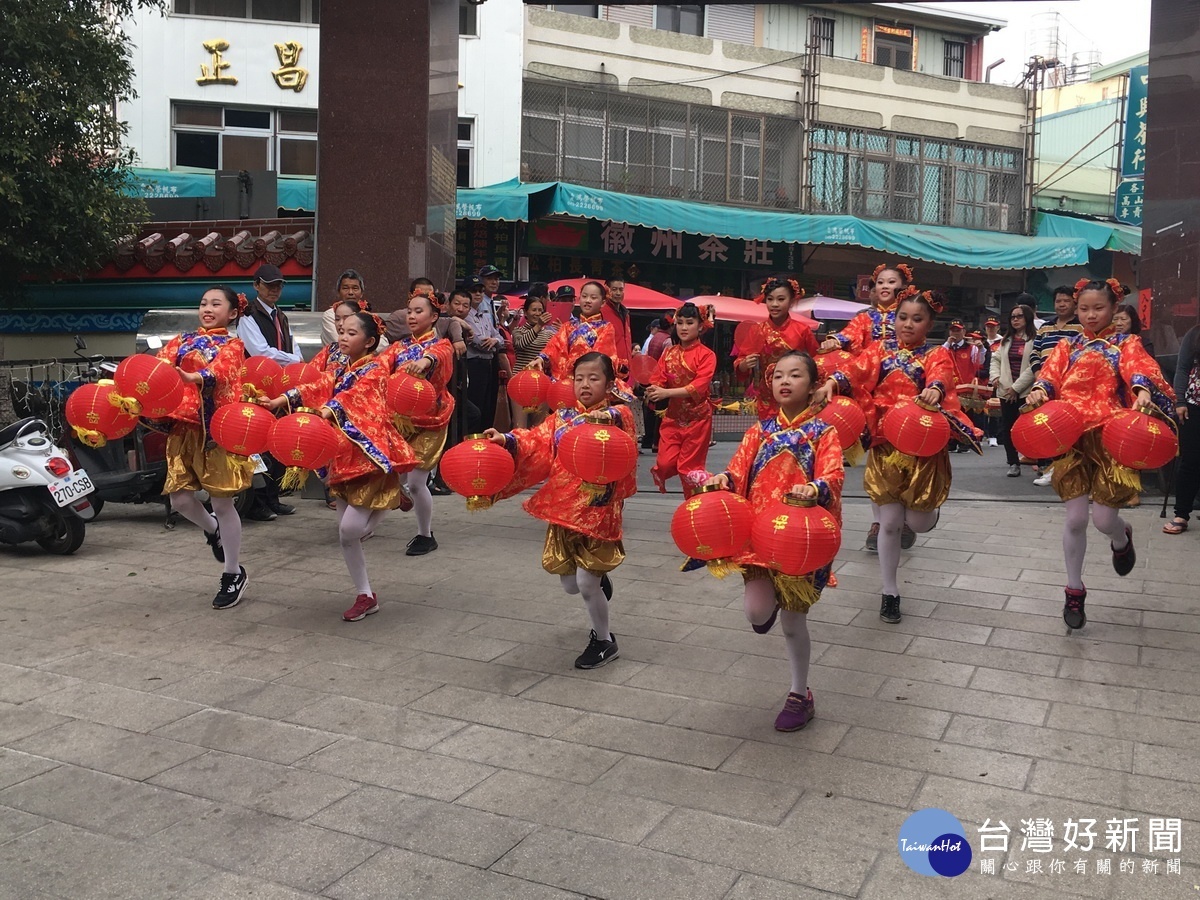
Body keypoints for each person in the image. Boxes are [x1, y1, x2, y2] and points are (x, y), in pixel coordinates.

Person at [815, 289, 979, 625]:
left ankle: (922, 520)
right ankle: (889, 592)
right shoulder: (879, 349)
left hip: (922, 447)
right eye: (902, 317)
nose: (908, 324)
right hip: (885, 444)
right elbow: (857, 369)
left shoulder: (937, 354)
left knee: (917, 521)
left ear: (929, 323)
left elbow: (941, 376)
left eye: (917, 319)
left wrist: (934, 388)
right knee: (889, 523)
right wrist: (834, 380)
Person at [1025, 278, 1175, 629]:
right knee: (1076, 519)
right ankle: (1074, 592)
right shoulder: (1067, 345)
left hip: (1110, 436)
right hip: (1072, 437)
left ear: (1114, 309)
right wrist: (1038, 392)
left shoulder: (1126, 342)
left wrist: (1140, 390)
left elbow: (1138, 367)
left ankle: (1121, 539)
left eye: (1099, 308)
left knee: (1104, 520)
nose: (1091, 315)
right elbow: (1048, 376)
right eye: (1084, 309)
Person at [705, 351, 843, 731]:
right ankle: (768, 607)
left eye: (795, 375)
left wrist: (815, 487)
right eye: (779, 375)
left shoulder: (822, 431)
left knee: (793, 621)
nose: (785, 381)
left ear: (813, 385)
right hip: (758, 537)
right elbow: (737, 470)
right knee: (755, 613)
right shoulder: (759, 430)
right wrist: (724, 481)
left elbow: (833, 475)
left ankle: (800, 694)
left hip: (799, 538)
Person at [483, 352, 636, 669]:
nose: (584, 384)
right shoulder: (563, 417)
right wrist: (507, 439)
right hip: (563, 506)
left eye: (594, 378)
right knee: (569, 584)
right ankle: (597, 580)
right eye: (579, 378)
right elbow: (535, 440)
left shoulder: (618, 415)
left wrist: (597, 419)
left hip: (599, 508)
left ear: (609, 384)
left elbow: (622, 427)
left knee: (584, 584)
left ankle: (604, 640)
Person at [267, 312, 418, 621]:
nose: (343, 337)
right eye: (342, 332)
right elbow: (319, 384)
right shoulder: (340, 368)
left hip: (369, 456)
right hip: (340, 455)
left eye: (351, 333)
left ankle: (389, 496)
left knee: (351, 530)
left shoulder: (375, 370)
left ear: (370, 342)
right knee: (345, 533)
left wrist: (328, 409)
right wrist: (283, 399)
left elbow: (354, 397)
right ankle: (365, 594)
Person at [156, 286, 253, 609]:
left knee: (223, 503)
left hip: (216, 430)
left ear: (233, 312)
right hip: (183, 429)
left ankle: (232, 572)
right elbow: (157, 368)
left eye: (216, 304)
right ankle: (213, 531)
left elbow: (223, 372)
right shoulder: (180, 341)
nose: (207, 308)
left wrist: (195, 376)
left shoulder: (233, 344)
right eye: (203, 303)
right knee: (180, 500)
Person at [818, 263, 912, 551]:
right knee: (876, 457)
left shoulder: (907, 317)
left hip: (905, 390)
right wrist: (836, 340)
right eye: (879, 282)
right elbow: (850, 335)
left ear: (903, 287)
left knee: (907, 453)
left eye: (891, 282)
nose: (884, 286)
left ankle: (905, 513)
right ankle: (879, 520)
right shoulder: (865, 318)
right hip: (871, 393)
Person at [379, 294, 456, 556]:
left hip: (430, 420)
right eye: (409, 311)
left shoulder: (442, 345)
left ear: (434, 316)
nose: (411, 316)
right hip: (400, 420)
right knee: (387, 472)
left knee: (416, 481)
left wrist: (424, 362)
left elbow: (436, 357)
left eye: (418, 311)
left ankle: (426, 534)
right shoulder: (398, 347)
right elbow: (378, 368)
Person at [237, 263, 302, 520]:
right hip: (256, 387)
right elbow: (260, 351)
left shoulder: (281, 315)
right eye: (269, 285)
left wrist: (293, 359)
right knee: (257, 444)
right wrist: (294, 360)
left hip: (278, 387)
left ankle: (273, 498)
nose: (274, 290)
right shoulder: (247, 315)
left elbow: (293, 347)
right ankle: (256, 503)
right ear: (256, 286)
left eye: (278, 285)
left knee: (277, 442)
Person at [646, 303, 716, 497]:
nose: (684, 328)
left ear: (700, 326)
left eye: (690, 323)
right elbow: (657, 377)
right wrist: (653, 389)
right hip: (673, 418)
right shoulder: (669, 353)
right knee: (665, 463)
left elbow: (698, 387)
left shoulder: (707, 356)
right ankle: (699, 481)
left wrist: (666, 393)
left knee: (688, 468)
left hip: (698, 420)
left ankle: (693, 505)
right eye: (680, 323)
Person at [735, 276, 819, 420]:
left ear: (791, 301)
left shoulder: (802, 330)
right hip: (767, 395)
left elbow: (818, 359)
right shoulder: (757, 330)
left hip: (796, 393)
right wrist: (743, 365)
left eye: (781, 299)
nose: (774, 304)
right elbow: (741, 362)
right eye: (770, 299)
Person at [1029, 287, 1084, 487]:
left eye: (1066, 301)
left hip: (1069, 386)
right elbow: (1035, 353)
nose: (1061, 304)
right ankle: (1046, 468)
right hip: (1044, 385)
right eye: (1058, 301)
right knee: (1045, 426)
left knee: (1064, 427)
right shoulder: (1045, 327)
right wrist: (1039, 375)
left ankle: (1064, 468)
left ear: (1074, 304)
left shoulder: (1081, 327)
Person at [532, 281, 631, 387]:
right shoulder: (568, 326)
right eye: (584, 296)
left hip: (590, 382)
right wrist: (541, 359)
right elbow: (554, 346)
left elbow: (601, 356)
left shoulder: (606, 327)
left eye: (593, 298)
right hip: (567, 382)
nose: (588, 301)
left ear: (602, 303)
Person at [989, 302, 1037, 477]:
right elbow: (995, 359)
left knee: (1032, 428)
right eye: (1013, 317)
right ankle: (1013, 462)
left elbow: (1034, 365)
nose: (1015, 320)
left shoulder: (1034, 339)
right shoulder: (1006, 340)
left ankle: (1040, 460)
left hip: (1027, 392)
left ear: (1028, 318)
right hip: (1005, 391)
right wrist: (995, 377)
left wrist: (1016, 388)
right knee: (1008, 428)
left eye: (1019, 316)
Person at [1165, 323, 1200, 535]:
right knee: (1190, 461)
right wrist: (1179, 401)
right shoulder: (1194, 333)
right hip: (1194, 405)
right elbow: (1183, 368)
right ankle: (1181, 514)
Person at [465, 276, 507, 432]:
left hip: (488, 364)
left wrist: (495, 341)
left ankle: (484, 438)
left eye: (481, 291)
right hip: (474, 364)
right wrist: (493, 341)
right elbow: (478, 341)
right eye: (474, 291)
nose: (478, 294)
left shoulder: (484, 314)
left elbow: (500, 337)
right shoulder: (465, 316)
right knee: (475, 406)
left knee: (488, 405)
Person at [511, 291, 558, 428]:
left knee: (539, 426)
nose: (537, 313)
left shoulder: (549, 333)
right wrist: (538, 326)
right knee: (520, 426)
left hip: (542, 383)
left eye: (540, 310)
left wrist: (561, 332)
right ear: (525, 312)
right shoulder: (518, 331)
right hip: (520, 382)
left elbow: (553, 354)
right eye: (534, 310)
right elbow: (521, 344)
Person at [943, 320, 985, 452]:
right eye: (953, 330)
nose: (955, 333)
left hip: (965, 388)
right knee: (949, 414)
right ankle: (950, 441)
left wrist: (981, 348)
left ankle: (964, 442)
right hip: (950, 388)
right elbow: (939, 356)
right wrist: (948, 343)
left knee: (966, 416)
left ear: (964, 332)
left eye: (958, 330)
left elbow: (981, 361)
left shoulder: (971, 348)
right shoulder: (946, 347)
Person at [640, 317, 672, 453]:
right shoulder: (668, 341)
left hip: (650, 376)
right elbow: (667, 362)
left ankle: (649, 440)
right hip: (661, 378)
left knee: (651, 409)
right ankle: (656, 442)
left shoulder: (654, 337)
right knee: (661, 411)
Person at [321, 269, 367, 346]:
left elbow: (382, 345)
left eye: (355, 288)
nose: (350, 293)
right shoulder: (330, 315)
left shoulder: (368, 315)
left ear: (362, 293)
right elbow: (341, 343)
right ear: (339, 292)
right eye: (345, 288)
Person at [602, 278, 634, 368]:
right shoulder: (601, 311)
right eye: (614, 289)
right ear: (606, 290)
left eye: (621, 289)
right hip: (608, 366)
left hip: (626, 367)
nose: (618, 293)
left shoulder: (626, 313)